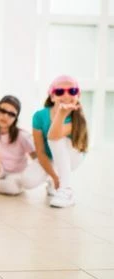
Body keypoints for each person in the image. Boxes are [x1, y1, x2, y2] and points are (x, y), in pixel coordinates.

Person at [31, 75, 88, 207]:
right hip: (50, 157)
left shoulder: (78, 118)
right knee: (28, 180)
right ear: (52, 97)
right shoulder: (39, 116)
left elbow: (54, 136)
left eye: (72, 91)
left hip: (73, 157)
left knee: (59, 139)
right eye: (60, 91)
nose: (66, 95)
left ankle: (66, 190)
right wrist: (54, 177)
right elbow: (40, 150)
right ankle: (54, 182)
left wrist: (61, 114)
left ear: (78, 95)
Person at [0, 95, 37, 195]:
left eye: (11, 114)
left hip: (16, 173)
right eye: (2, 111)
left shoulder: (22, 136)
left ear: (16, 118)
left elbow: (37, 158)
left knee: (11, 188)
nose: (5, 116)